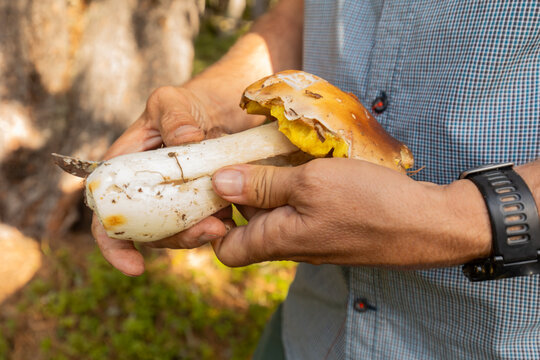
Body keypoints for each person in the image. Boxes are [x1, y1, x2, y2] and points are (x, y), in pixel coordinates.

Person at [92, 0, 540, 358]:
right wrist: (208, 104)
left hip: (489, 339)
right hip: (316, 328)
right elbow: (298, 11)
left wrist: (460, 218)